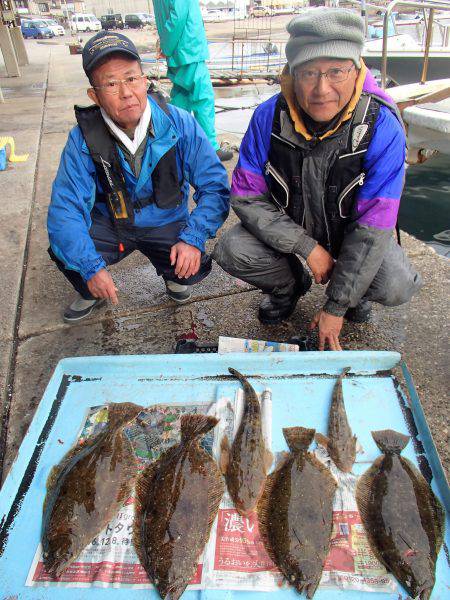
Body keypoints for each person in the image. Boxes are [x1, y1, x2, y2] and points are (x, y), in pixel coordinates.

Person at [213, 9, 422, 351]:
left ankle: (354, 296)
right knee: (232, 249)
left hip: (350, 234)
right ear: (292, 74)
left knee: (395, 284)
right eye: (309, 72)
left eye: (336, 71)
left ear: (356, 71)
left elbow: (373, 225)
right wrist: (308, 248)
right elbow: (247, 197)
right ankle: (288, 287)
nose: (322, 88)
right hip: (291, 231)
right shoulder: (267, 116)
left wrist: (337, 305)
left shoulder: (382, 125)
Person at [48, 31, 229, 323]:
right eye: (110, 83)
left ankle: (174, 275)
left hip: (166, 221)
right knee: (65, 251)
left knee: (191, 267)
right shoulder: (81, 137)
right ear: (94, 96)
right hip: (111, 224)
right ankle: (91, 289)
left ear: (145, 81)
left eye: (131, 78)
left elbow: (215, 187)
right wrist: (90, 267)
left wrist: (193, 237)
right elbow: (65, 209)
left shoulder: (180, 122)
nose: (126, 92)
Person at [152, 0, 233, 161]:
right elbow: (178, 15)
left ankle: (175, 142)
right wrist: (167, 46)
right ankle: (209, 148)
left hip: (179, 49)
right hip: (189, 47)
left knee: (182, 97)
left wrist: (166, 45)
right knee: (203, 97)